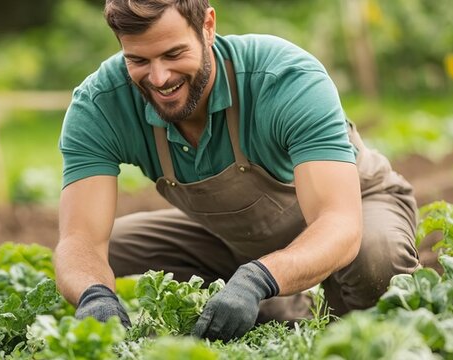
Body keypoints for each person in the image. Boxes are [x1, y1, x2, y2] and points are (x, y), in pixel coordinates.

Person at [54, 0, 420, 341]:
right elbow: (79, 240)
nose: (160, 78)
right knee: (112, 249)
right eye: (138, 60)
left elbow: (339, 222)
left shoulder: (284, 78)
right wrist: (94, 295)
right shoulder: (100, 104)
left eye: (174, 54)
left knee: (377, 259)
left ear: (208, 26)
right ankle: (280, 308)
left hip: (356, 206)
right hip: (234, 236)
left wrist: (258, 278)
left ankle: (331, 317)